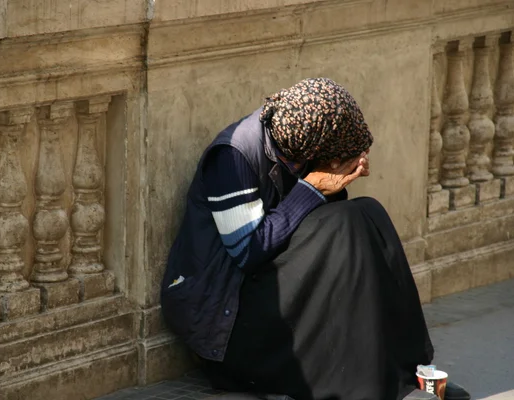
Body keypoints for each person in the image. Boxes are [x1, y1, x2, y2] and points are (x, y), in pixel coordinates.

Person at [160, 78, 471, 400]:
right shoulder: (232, 157)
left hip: (268, 285)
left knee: (365, 214)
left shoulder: (296, 144)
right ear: (314, 146)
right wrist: (312, 189)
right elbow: (247, 251)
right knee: (345, 225)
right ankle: (377, 384)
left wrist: (335, 182)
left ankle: (409, 368)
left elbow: (307, 226)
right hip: (228, 320)